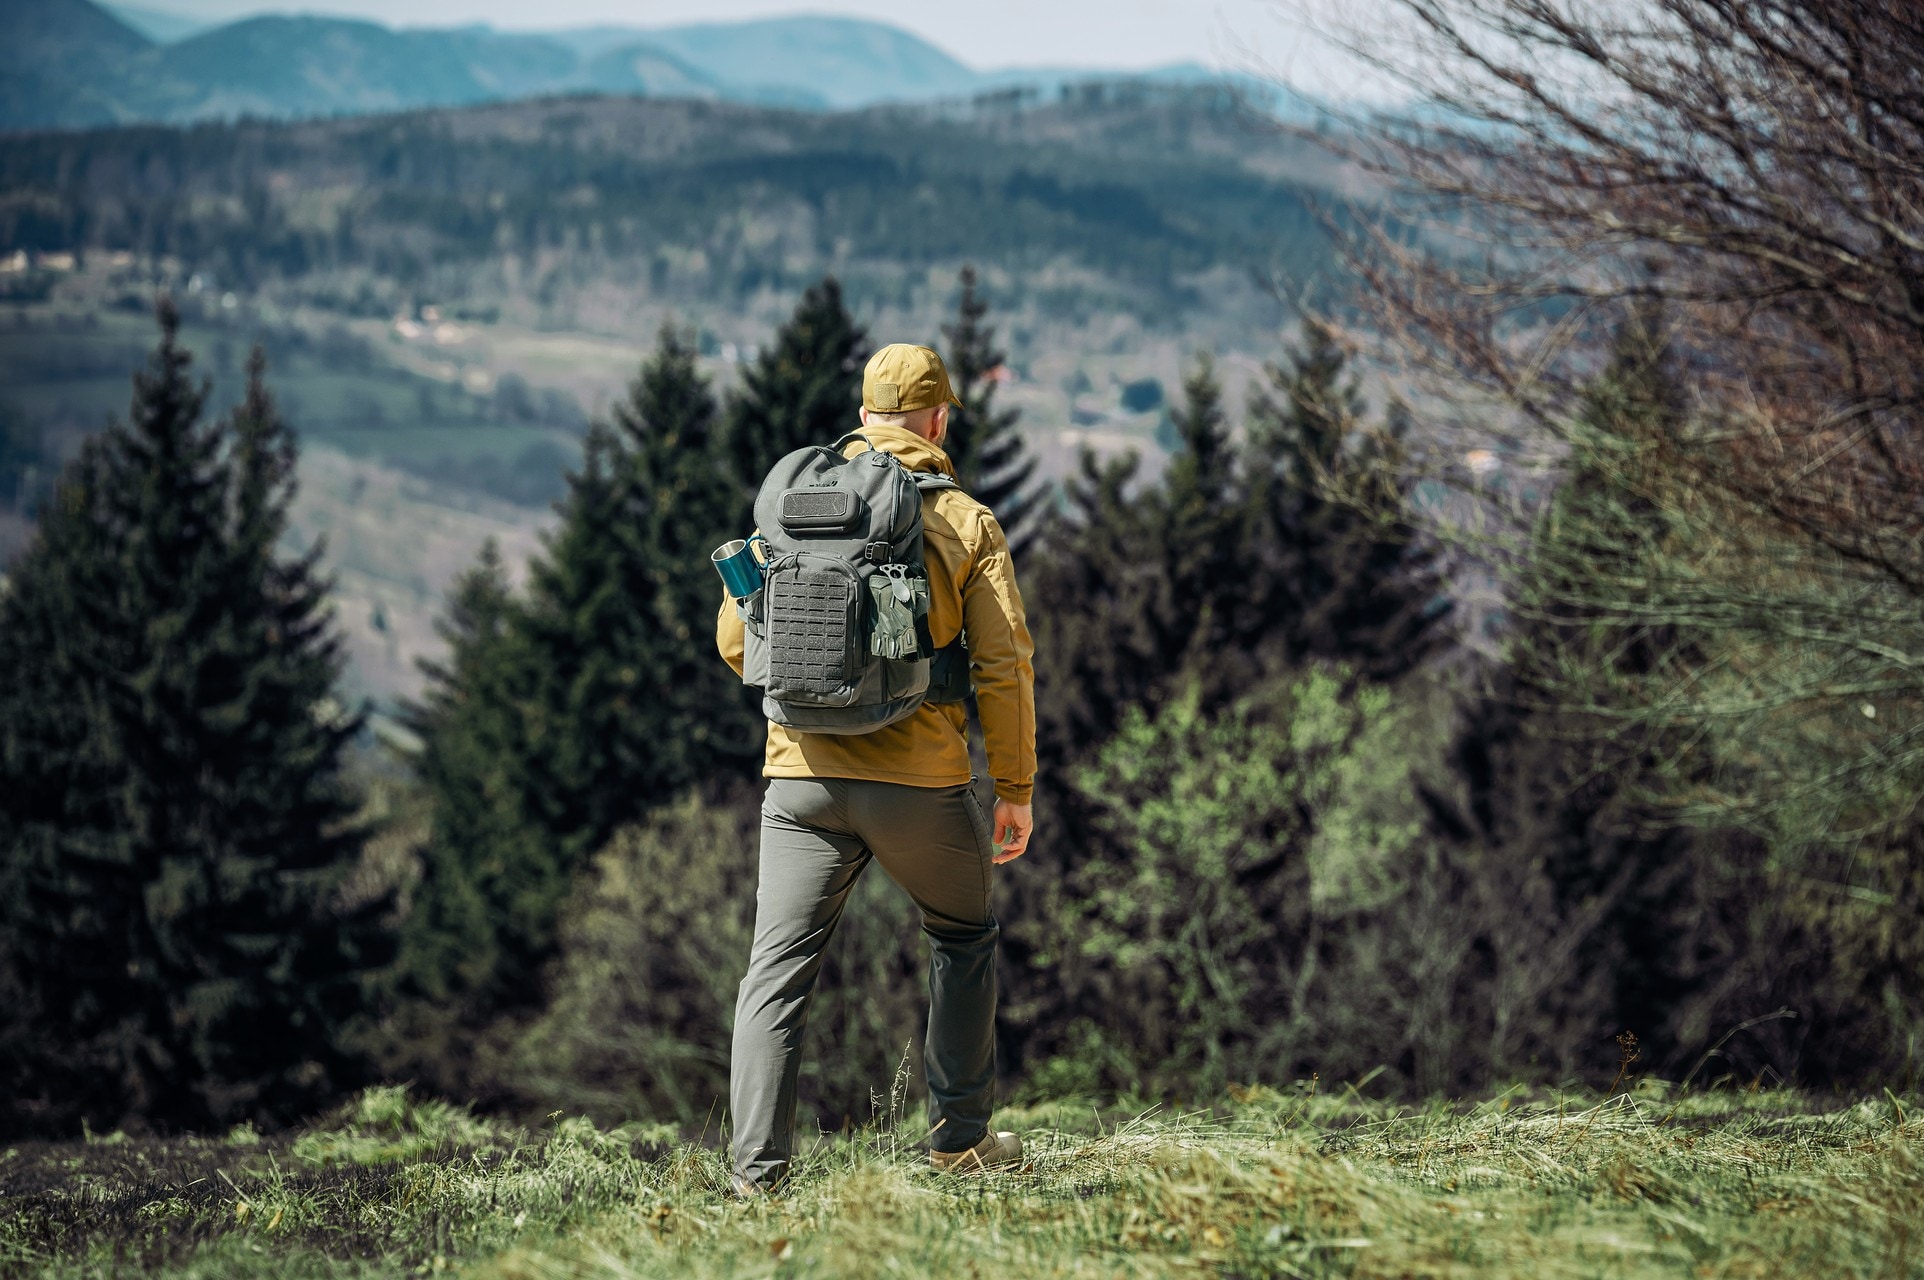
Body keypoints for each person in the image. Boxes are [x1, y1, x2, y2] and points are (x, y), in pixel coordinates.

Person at [715, 343, 1037, 1193]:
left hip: (799, 780)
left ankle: (756, 1178)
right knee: (962, 936)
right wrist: (1014, 788)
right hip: (918, 784)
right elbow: (1005, 666)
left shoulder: (793, 506)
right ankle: (959, 1143)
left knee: (774, 974)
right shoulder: (965, 521)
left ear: (864, 418)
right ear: (936, 421)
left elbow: (735, 640)